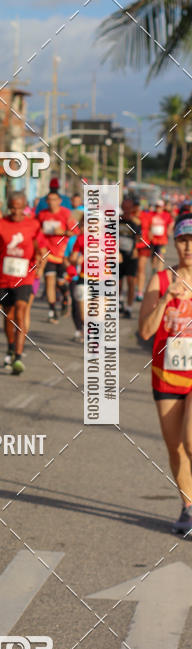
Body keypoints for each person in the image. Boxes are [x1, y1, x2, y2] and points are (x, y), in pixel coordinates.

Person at [139, 212, 192, 536]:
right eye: (183, 240)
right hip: (167, 375)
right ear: (174, 242)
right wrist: (167, 299)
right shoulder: (160, 280)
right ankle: (188, 507)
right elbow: (145, 331)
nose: (188, 247)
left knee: (191, 440)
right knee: (175, 448)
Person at [0, 191, 42, 375]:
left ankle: (18, 355)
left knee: (21, 312)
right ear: (8, 206)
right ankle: (10, 346)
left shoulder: (33, 224)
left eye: (20, 208)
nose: (16, 212)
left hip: (25, 276)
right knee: (9, 316)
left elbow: (39, 245)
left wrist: (39, 256)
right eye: (13, 208)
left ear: (25, 206)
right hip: (4, 277)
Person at [37, 190, 76, 323]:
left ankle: (65, 297)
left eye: (54, 200)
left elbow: (75, 231)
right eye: (49, 200)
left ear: (59, 201)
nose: (51, 202)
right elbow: (36, 230)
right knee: (49, 282)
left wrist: (63, 232)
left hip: (63, 254)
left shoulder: (66, 213)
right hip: (48, 254)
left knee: (61, 282)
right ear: (46, 201)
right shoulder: (42, 214)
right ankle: (52, 311)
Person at [119, 196, 142, 319]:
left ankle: (128, 308)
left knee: (131, 281)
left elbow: (139, 237)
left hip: (131, 255)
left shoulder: (136, 222)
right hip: (118, 255)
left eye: (129, 207)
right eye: (124, 207)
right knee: (118, 281)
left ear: (132, 208)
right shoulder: (117, 220)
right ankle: (119, 301)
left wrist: (135, 249)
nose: (126, 209)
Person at [148, 199, 173, 270]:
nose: (158, 208)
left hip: (162, 240)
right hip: (153, 240)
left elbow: (171, 222)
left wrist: (169, 230)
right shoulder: (151, 214)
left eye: (159, 207)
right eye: (157, 206)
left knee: (161, 255)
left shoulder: (166, 215)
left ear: (163, 207)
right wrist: (149, 232)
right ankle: (153, 270)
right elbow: (147, 225)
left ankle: (160, 271)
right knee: (153, 256)